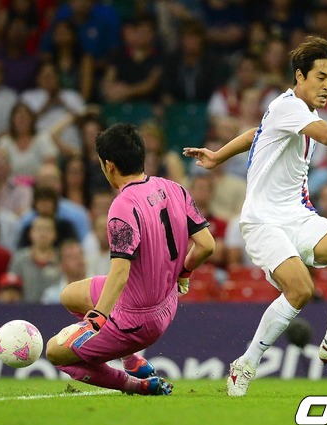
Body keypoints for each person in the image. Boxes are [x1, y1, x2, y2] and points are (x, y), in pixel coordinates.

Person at [184, 36, 327, 397]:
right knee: (301, 289)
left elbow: (255, 133)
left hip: (297, 215)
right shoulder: (288, 107)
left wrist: (217, 155)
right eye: (321, 77)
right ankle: (245, 364)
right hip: (263, 221)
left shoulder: (294, 112)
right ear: (300, 76)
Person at [45, 123, 215, 396]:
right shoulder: (174, 188)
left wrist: (97, 319)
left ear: (109, 166)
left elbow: (120, 274)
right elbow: (206, 245)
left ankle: (137, 385)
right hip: (167, 301)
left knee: (55, 353)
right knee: (69, 295)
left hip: (136, 321)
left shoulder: (122, 207)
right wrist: (183, 273)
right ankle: (130, 359)